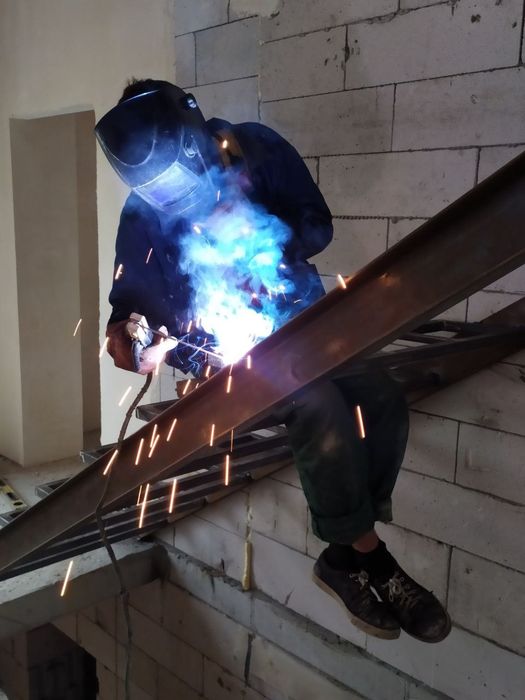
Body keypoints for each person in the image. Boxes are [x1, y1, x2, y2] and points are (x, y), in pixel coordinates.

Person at [96, 78, 451, 643]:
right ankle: (371, 558)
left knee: (382, 395)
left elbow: (318, 223)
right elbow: (128, 305)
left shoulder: (256, 147)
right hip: (227, 359)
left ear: (194, 137)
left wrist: (265, 248)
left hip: (304, 320)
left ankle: (346, 555)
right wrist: (129, 335)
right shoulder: (141, 213)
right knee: (318, 404)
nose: (175, 200)